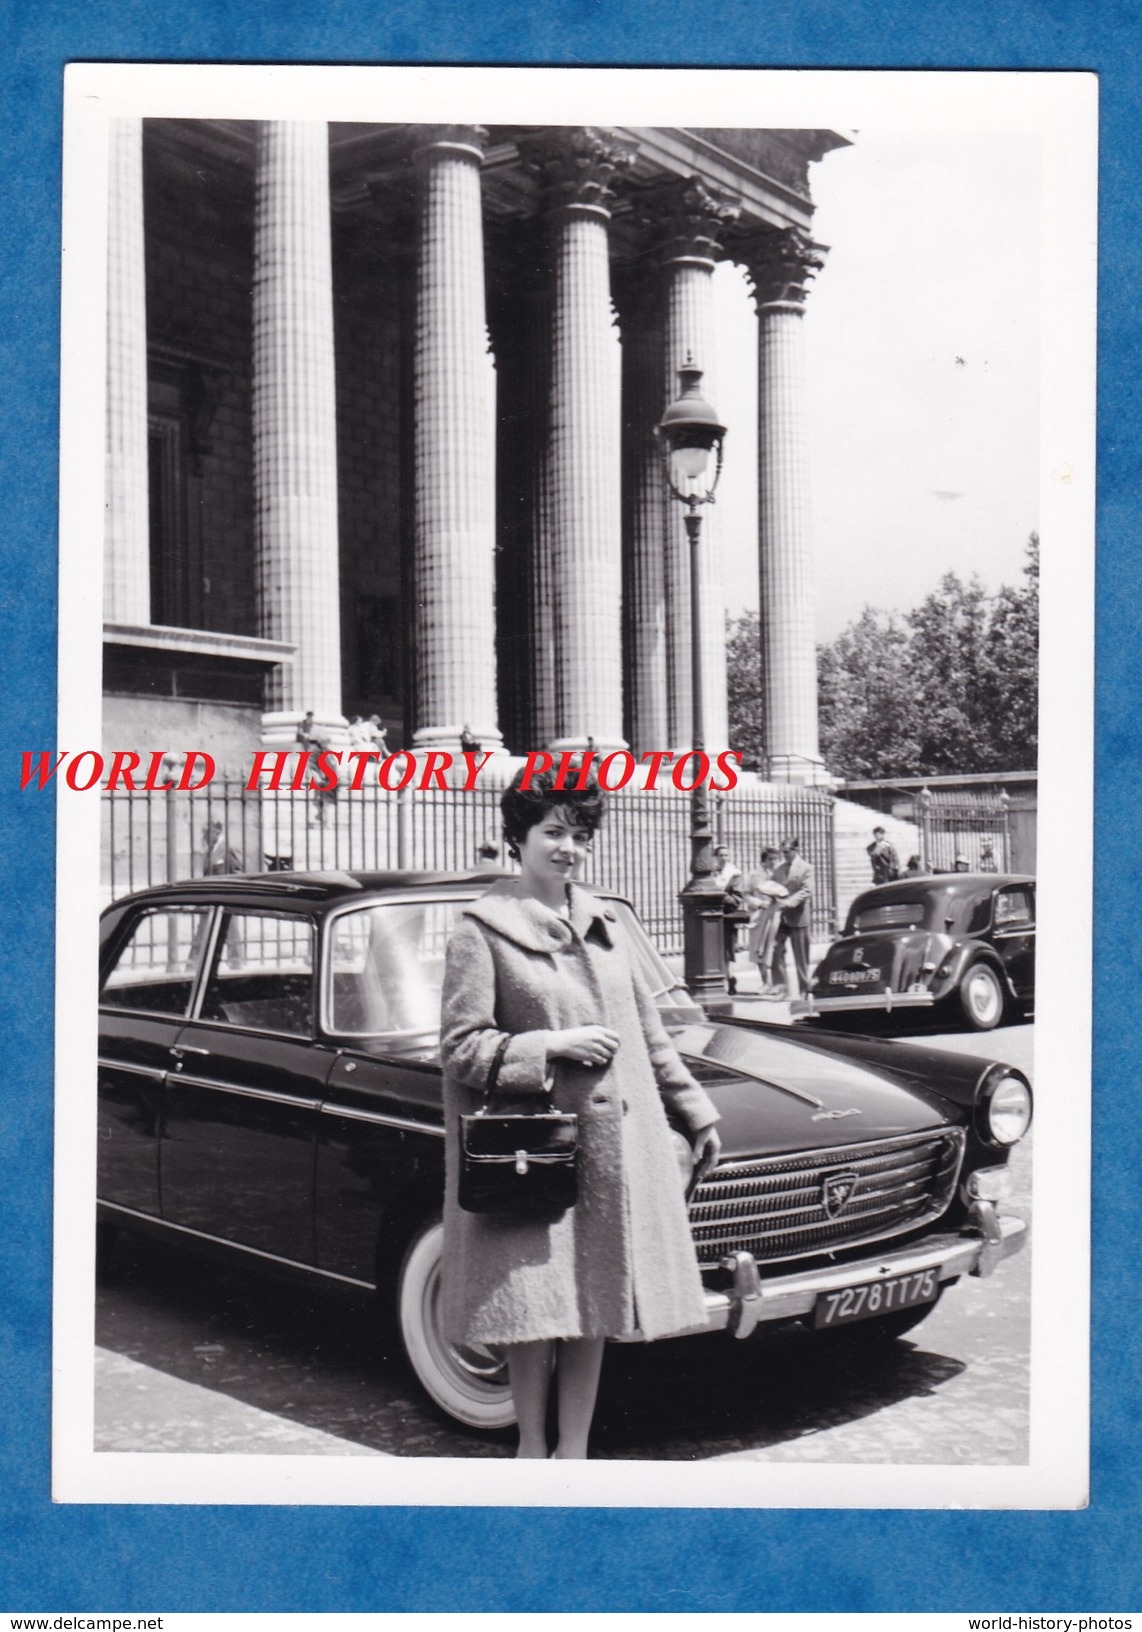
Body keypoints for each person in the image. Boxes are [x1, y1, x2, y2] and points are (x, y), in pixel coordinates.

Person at [439, 767, 722, 1460]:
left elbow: (649, 1032)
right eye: (553, 832)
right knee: (536, 1311)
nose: (568, 847)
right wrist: (551, 1045)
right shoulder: (481, 929)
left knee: (595, 1304)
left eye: (580, 834)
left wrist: (695, 1109)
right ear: (519, 838)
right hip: (537, 1151)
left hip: (612, 1150)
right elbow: (459, 1048)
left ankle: (575, 1452)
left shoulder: (606, 923)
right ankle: (532, 1449)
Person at [771, 835, 814, 999]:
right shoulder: (780, 869)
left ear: (796, 850)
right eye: (783, 852)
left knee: (801, 955)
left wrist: (789, 902)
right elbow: (773, 885)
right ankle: (782, 987)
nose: (785, 855)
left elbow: (806, 890)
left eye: (787, 852)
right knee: (776, 949)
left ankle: (804, 988)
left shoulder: (806, 868)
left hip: (798, 915)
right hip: (781, 917)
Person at [742, 847, 788, 995]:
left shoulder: (779, 873)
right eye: (770, 859)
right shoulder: (754, 875)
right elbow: (746, 895)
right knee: (758, 950)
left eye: (776, 859)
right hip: (760, 916)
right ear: (763, 860)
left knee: (773, 948)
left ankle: (778, 983)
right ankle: (765, 982)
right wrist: (757, 903)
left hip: (775, 914)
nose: (773, 862)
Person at [710, 844, 746, 993]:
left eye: (726, 855)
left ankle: (729, 978)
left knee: (726, 951)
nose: (723, 858)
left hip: (727, 917)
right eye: (720, 855)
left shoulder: (735, 875)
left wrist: (720, 894)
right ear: (715, 857)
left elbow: (737, 898)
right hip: (712, 916)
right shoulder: (711, 873)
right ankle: (724, 978)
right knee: (714, 950)